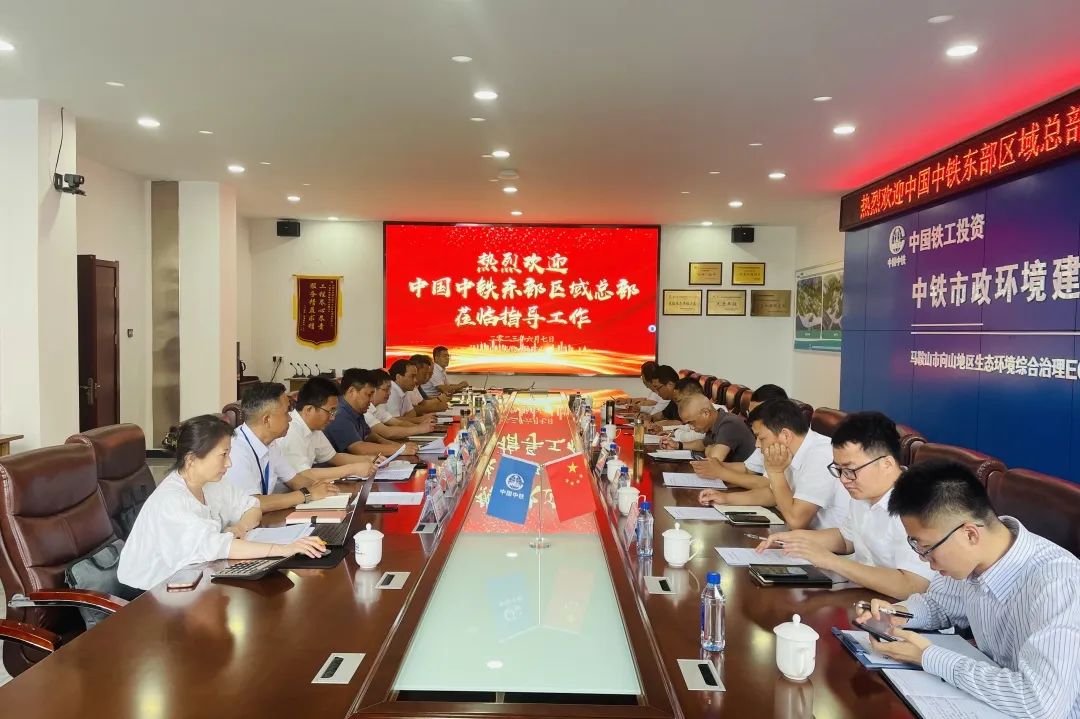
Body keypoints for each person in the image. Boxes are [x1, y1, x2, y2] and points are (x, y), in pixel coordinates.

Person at [856, 460, 1080, 718]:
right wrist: (898, 614)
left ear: (971, 534)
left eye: (927, 549)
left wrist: (928, 656)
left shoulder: (1059, 584)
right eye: (916, 547)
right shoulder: (974, 557)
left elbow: (1040, 703)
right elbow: (939, 604)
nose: (924, 560)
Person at [118, 415, 327, 590]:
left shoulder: (212, 483)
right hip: (151, 593)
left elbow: (252, 507)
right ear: (191, 459)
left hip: (193, 578)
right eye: (223, 455)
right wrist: (284, 549)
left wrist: (240, 527)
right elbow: (220, 546)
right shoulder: (172, 501)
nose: (229, 463)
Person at [755, 412, 933, 599]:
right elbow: (846, 539)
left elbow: (912, 585)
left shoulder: (917, 505)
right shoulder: (863, 494)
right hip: (865, 596)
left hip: (899, 608)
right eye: (839, 470)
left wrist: (832, 561)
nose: (843, 479)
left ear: (887, 464)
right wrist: (793, 539)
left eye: (850, 470)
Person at [699, 399, 850, 530]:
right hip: (802, 535)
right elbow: (772, 494)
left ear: (785, 435)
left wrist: (775, 472)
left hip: (831, 545)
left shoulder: (821, 455)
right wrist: (725, 499)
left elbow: (796, 521)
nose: (757, 445)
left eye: (761, 438)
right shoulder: (786, 452)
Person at [221, 382, 342, 512]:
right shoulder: (235, 450)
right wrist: (307, 494)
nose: (290, 418)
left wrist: (324, 489)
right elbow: (254, 503)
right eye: (286, 412)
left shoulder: (270, 443)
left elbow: (293, 480)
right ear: (267, 420)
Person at [279, 376, 377, 478]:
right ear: (309, 409)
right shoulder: (290, 430)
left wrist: (369, 459)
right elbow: (303, 475)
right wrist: (352, 469)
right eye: (330, 411)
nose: (333, 418)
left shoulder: (314, 428)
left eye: (334, 412)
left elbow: (334, 457)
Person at [692, 383, 789, 479]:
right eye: (750, 413)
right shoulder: (764, 439)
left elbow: (767, 484)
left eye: (758, 414)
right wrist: (715, 465)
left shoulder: (785, 442)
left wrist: (721, 472)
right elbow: (748, 468)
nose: (752, 418)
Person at [324, 368, 418, 456]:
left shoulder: (357, 410)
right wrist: (398, 449)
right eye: (369, 395)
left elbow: (369, 435)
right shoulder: (339, 413)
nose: (371, 399)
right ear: (352, 391)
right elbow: (358, 448)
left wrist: (396, 445)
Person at [660, 392, 756, 460]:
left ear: (706, 413)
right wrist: (677, 445)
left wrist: (708, 450)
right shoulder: (714, 423)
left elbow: (714, 459)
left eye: (692, 422)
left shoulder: (729, 423)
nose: (692, 428)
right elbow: (702, 444)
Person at [365, 368, 436, 441]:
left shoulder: (378, 407)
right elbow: (387, 432)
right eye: (386, 390)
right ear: (373, 390)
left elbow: (397, 423)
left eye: (389, 389)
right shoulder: (365, 411)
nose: (389, 393)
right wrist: (419, 429)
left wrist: (421, 426)